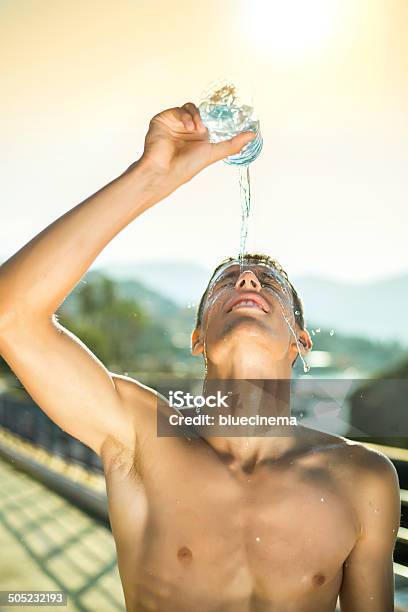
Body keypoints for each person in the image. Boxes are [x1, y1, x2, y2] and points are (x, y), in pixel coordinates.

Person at [0, 102, 401, 611]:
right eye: (225, 283)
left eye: (270, 283)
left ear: (300, 341)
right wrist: (150, 177)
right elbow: (11, 316)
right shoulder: (139, 434)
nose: (247, 279)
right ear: (198, 339)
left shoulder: (362, 477)